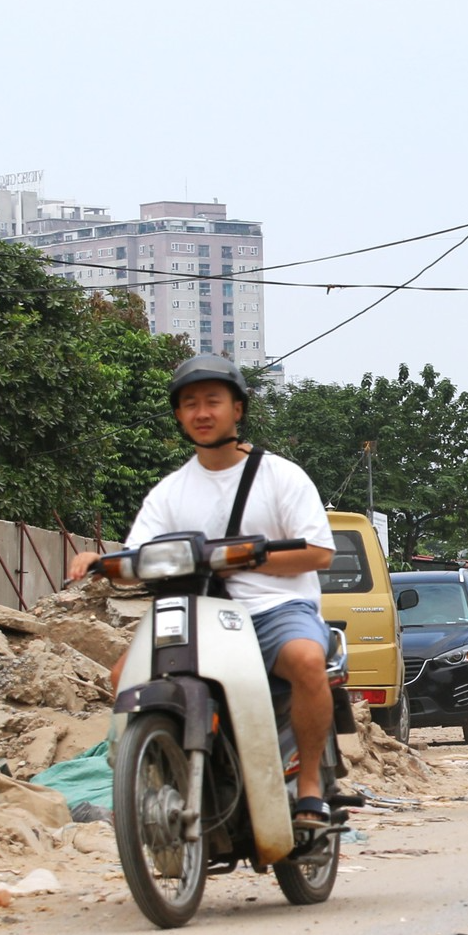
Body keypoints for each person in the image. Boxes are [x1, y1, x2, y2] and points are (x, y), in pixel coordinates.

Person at [68, 354, 339, 831]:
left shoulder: (281, 476)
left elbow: (318, 553)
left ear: (238, 409)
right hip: (195, 613)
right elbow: (135, 560)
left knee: (307, 660)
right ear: (178, 415)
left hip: (272, 609)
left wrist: (249, 557)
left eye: (213, 401)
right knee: (121, 678)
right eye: (190, 403)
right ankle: (161, 771)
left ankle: (311, 785)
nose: (202, 412)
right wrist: (100, 564)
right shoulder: (169, 492)